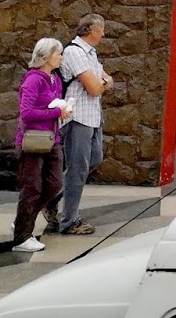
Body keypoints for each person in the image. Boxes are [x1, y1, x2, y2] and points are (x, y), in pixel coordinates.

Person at [56, 14, 113, 236]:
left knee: (94, 158)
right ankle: (69, 220)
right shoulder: (75, 52)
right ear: (92, 31)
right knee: (77, 169)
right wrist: (102, 82)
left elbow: (106, 80)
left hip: (93, 116)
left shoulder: (91, 53)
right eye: (101, 30)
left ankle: (49, 199)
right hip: (77, 117)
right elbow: (95, 88)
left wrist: (102, 82)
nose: (103, 34)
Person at [12, 37, 70, 253]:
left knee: (54, 184)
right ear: (46, 56)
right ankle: (22, 236)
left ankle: (23, 219)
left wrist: (62, 111)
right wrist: (55, 112)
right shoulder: (33, 80)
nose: (61, 57)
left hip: (51, 139)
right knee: (32, 188)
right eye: (58, 53)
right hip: (33, 141)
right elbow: (26, 113)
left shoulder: (54, 79)